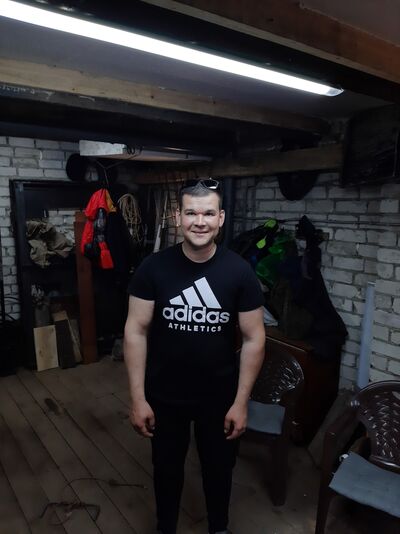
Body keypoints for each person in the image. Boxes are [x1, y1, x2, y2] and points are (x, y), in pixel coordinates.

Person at [124, 178, 265, 534]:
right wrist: (138, 398)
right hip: (164, 395)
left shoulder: (239, 272)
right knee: (166, 470)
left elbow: (254, 338)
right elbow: (135, 331)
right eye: (191, 213)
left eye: (208, 214)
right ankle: (165, 528)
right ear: (178, 217)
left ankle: (219, 528)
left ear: (220, 218)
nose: (199, 222)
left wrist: (241, 402)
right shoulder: (153, 268)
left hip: (218, 398)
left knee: (219, 470)